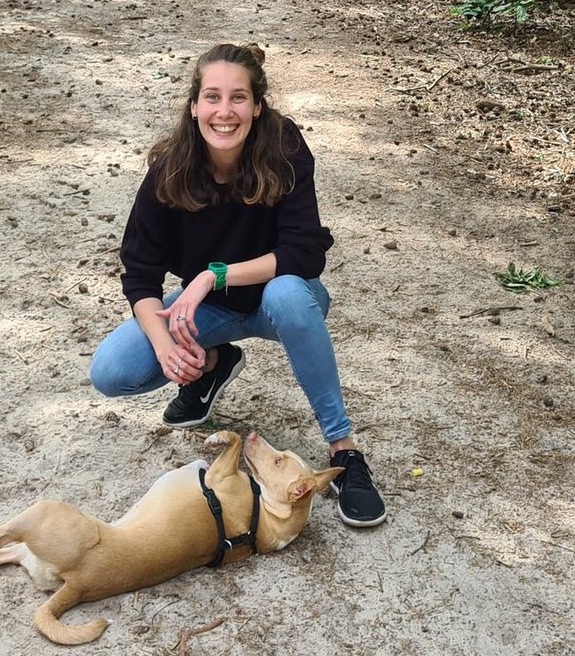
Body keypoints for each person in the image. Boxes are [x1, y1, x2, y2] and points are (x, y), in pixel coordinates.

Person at [88, 42, 386, 529]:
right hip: (213, 313)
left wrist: (213, 274)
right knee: (112, 369)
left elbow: (305, 251)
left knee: (287, 292)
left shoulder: (283, 148)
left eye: (238, 98)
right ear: (193, 106)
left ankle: (345, 452)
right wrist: (165, 345)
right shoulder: (170, 171)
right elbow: (139, 273)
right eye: (212, 97)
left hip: (284, 305)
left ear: (258, 106)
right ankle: (214, 362)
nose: (224, 112)